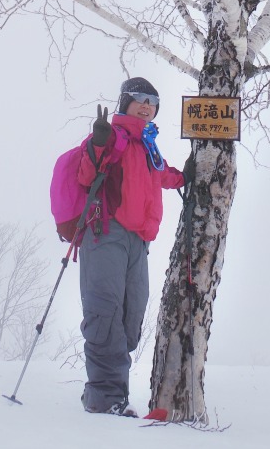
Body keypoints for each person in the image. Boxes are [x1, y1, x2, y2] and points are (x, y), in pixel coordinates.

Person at [76, 75, 190, 417]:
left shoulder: (148, 146)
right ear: (125, 102)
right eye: (139, 98)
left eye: (152, 102)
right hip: (106, 232)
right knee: (104, 312)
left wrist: (188, 176)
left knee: (130, 317)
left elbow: (162, 175)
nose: (146, 105)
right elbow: (86, 175)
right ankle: (104, 397)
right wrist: (97, 144)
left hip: (138, 241)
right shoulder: (112, 137)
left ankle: (112, 392)